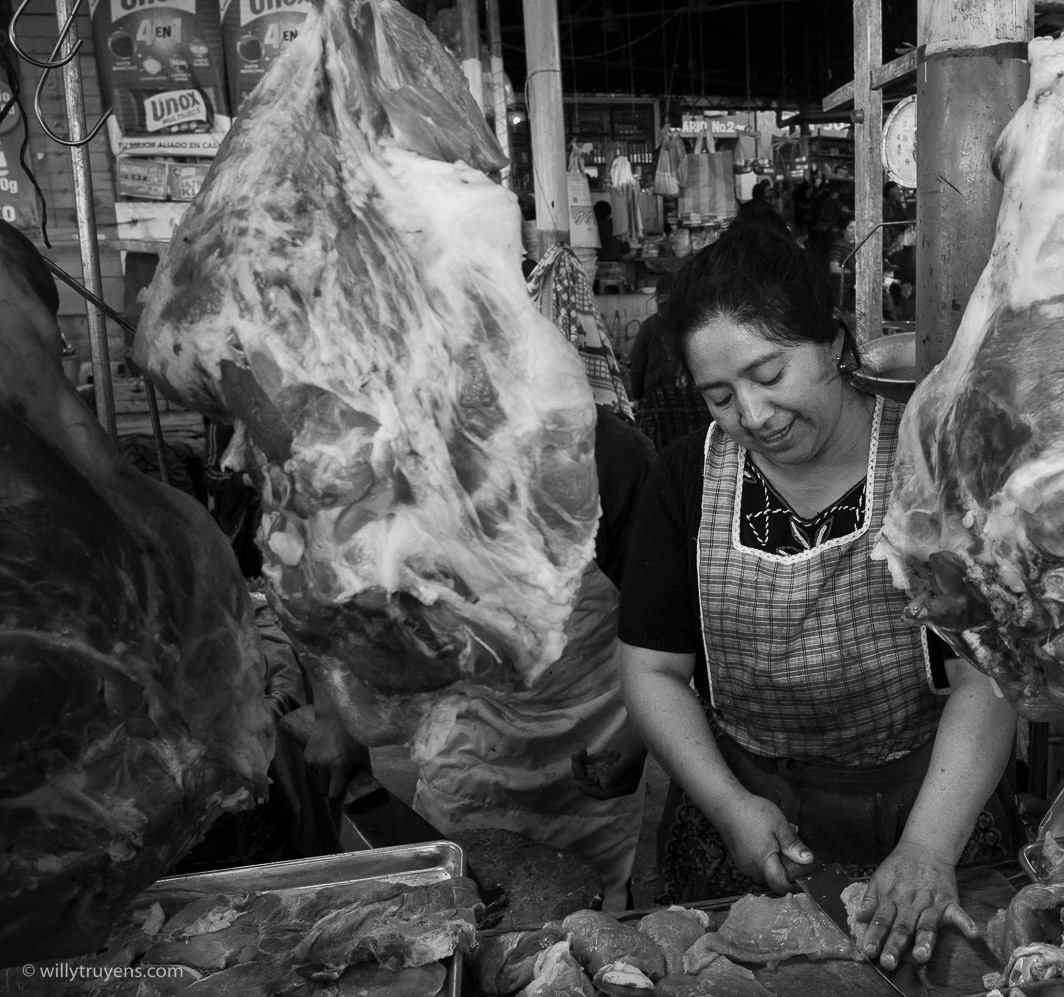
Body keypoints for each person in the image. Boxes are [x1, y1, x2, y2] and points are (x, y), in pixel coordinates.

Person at [614, 226, 1020, 970]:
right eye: (720, 396)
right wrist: (730, 807)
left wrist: (929, 845)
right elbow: (652, 670)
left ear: (833, 343)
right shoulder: (685, 479)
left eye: (769, 372)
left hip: (929, 797)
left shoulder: (932, 456)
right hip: (743, 803)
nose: (754, 414)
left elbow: (987, 672)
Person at [307, 404, 655, 906]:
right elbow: (324, 584)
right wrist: (331, 713)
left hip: (593, 736)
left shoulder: (609, 457)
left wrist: (639, 731)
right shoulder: (376, 448)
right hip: (463, 731)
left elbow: (674, 621)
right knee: (460, 914)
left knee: (582, 936)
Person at [629, 274, 714, 451]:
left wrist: (636, 396)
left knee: (663, 451)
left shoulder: (650, 325)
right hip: (694, 395)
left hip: (658, 398)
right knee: (697, 450)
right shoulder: (695, 323)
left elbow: (637, 364)